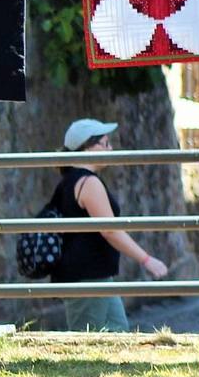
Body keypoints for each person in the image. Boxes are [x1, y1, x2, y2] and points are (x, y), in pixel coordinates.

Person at [50, 118, 169, 332]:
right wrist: (147, 260)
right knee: (86, 340)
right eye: (105, 144)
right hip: (86, 277)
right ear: (87, 148)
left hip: (95, 275)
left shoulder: (71, 179)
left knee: (118, 332)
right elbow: (110, 230)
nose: (111, 148)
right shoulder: (88, 183)